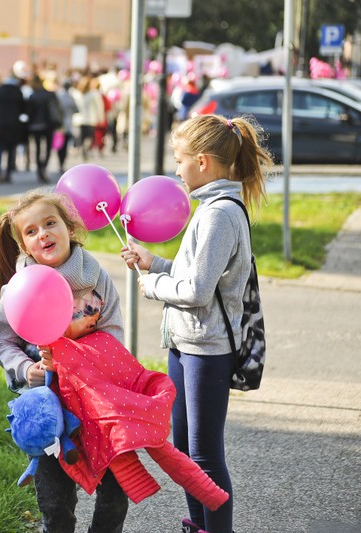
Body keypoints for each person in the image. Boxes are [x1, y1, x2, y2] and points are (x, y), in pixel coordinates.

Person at [120, 114, 273, 533]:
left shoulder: (219, 214)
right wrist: (155, 263)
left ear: (202, 162)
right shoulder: (210, 208)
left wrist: (152, 285)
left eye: (179, 160)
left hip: (207, 349)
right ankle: (201, 526)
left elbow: (198, 291)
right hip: (186, 343)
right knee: (187, 452)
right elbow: (199, 274)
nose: (176, 170)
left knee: (204, 455)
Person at [0, 189, 129, 532]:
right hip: (47, 410)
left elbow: (113, 335)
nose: (43, 234)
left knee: (116, 491)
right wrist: (26, 370)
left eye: (50, 223)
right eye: (31, 231)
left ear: (70, 228)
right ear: (24, 246)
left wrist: (82, 362)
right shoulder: (20, 288)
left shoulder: (96, 278)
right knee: (56, 505)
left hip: (96, 403)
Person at [0, 68, 26, 184]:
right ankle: (8, 173)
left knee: (0, 149)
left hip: (0, 123)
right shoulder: (18, 91)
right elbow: (23, 108)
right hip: (13, 124)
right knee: (11, 150)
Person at [26, 74, 62, 183]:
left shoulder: (32, 96)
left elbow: (29, 113)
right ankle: (44, 167)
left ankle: (39, 169)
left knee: (37, 148)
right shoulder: (50, 94)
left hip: (35, 126)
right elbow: (56, 110)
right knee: (47, 148)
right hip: (48, 125)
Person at [55, 79, 79, 174]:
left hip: (59, 125)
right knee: (64, 145)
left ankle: (60, 163)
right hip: (68, 124)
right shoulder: (70, 97)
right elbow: (76, 109)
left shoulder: (58, 95)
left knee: (60, 145)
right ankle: (62, 163)